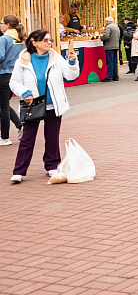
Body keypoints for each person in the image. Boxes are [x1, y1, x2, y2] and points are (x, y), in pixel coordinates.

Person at [9, 31, 80, 182]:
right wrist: (25, 92)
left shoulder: (56, 58)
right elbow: (14, 82)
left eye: (50, 40)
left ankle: (52, 166)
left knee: (52, 137)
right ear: (34, 42)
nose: (49, 43)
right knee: (27, 138)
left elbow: (70, 76)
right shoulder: (22, 60)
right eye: (45, 40)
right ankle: (19, 171)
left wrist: (73, 62)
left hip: (54, 104)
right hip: (32, 104)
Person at [0, 15, 27, 145]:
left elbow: (0, 56)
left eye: (2, 23)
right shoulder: (21, 39)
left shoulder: (4, 39)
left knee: (3, 107)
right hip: (16, 76)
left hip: (3, 75)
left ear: (8, 25)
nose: (1, 26)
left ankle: (4, 137)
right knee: (4, 104)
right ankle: (19, 126)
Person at [99, 16, 121, 82]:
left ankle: (109, 76)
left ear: (107, 21)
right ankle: (115, 76)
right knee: (114, 61)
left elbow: (106, 36)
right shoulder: (116, 26)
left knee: (110, 62)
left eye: (105, 21)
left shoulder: (108, 27)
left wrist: (101, 38)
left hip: (109, 46)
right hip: (115, 45)